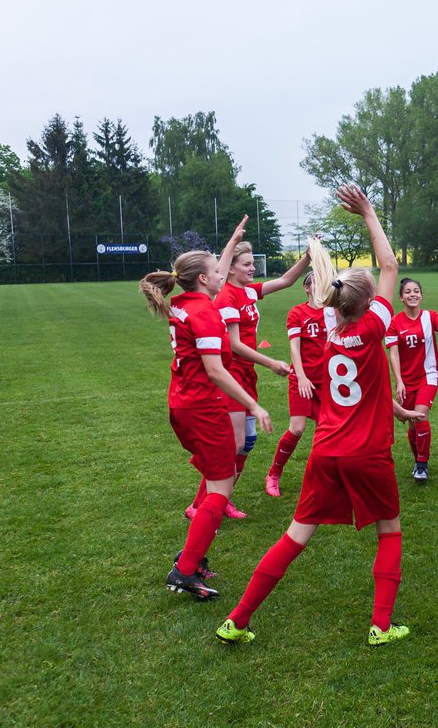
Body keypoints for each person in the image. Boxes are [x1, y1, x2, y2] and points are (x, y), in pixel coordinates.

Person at [216, 185, 422, 647]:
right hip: (367, 452)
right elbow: (389, 266)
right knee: (389, 531)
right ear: (370, 304)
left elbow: (360, 287)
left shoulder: (329, 337)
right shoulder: (373, 326)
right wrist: (369, 211)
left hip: (325, 448)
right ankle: (381, 626)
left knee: (294, 537)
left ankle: (238, 619)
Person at [139, 216, 274, 601]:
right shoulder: (205, 312)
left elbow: (206, 277)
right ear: (204, 278)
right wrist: (253, 404)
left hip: (181, 402)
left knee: (218, 479)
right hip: (202, 406)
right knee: (220, 488)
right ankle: (184, 570)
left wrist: (232, 240)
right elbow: (215, 370)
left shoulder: (183, 303)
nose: (222, 272)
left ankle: (194, 558)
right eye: (217, 269)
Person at [202, 239, 310, 518]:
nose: (253, 268)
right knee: (235, 444)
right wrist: (271, 362)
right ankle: (210, 500)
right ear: (233, 269)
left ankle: (214, 499)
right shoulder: (227, 296)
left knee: (244, 442)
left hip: (246, 374)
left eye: (253, 263)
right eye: (247, 264)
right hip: (232, 372)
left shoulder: (249, 292)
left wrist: (309, 257)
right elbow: (235, 344)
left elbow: (286, 280)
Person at [385, 278, 438, 483]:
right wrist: (399, 381)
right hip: (406, 380)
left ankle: (422, 464)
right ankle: (418, 460)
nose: (412, 294)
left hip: (429, 375)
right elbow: (394, 354)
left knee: (420, 415)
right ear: (401, 297)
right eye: (408, 292)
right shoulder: (394, 322)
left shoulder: (430, 316)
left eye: (416, 291)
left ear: (421, 295)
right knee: (411, 423)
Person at [262, 272, 325, 497]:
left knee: (326, 433)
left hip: (327, 383)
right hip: (301, 379)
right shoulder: (298, 312)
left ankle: (322, 479)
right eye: (316, 282)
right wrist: (301, 377)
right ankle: (273, 474)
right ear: (306, 288)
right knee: (297, 429)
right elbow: (294, 349)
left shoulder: (334, 311)